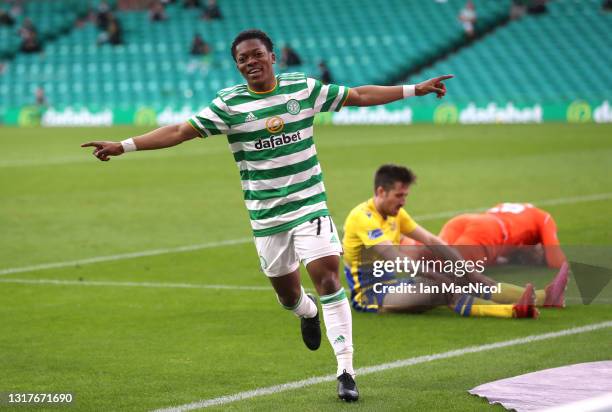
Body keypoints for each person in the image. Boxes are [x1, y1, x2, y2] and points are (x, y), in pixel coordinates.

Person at [80, 29, 453, 402]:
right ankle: (306, 313)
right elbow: (180, 131)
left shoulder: (303, 89)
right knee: (289, 297)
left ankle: (345, 370)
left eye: (256, 55)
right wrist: (124, 146)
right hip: (267, 218)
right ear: (238, 66)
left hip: (310, 205)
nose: (250, 63)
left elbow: (357, 95)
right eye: (243, 59)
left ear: (272, 57)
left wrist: (414, 89)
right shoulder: (229, 104)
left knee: (327, 277)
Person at [342, 165, 568, 317]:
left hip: (392, 285)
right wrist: (441, 274)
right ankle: (512, 311)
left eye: (406, 196)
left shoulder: (395, 214)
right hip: (370, 294)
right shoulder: (363, 217)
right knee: (444, 287)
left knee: (467, 277)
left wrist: (463, 268)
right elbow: (394, 259)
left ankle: (544, 297)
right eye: (399, 196)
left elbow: (431, 239)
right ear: (381, 191)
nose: (403, 202)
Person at [438, 203, 567, 269]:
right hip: (488, 229)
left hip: (464, 220)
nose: (536, 256)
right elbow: (556, 262)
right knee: (451, 274)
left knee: (430, 259)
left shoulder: (518, 217)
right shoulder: (544, 218)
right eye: (540, 252)